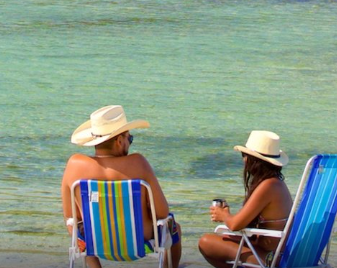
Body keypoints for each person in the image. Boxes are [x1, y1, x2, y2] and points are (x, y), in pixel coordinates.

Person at [61, 106, 180, 268]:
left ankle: (94, 265)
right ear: (119, 141)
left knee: (73, 225)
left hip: (93, 244)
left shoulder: (75, 165)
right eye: (129, 139)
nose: (129, 143)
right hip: (140, 244)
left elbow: (71, 216)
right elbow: (162, 213)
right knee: (173, 226)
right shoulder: (138, 163)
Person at [199, 131, 293, 268]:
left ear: (254, 160)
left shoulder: (268, 186)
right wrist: (227, 216)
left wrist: (223, 215)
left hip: (271, 257)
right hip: (276, 251)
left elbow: (235, 225)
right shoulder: (276, 183)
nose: (243, 160)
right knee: (219, 240)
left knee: (206, 242)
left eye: (245, 155)